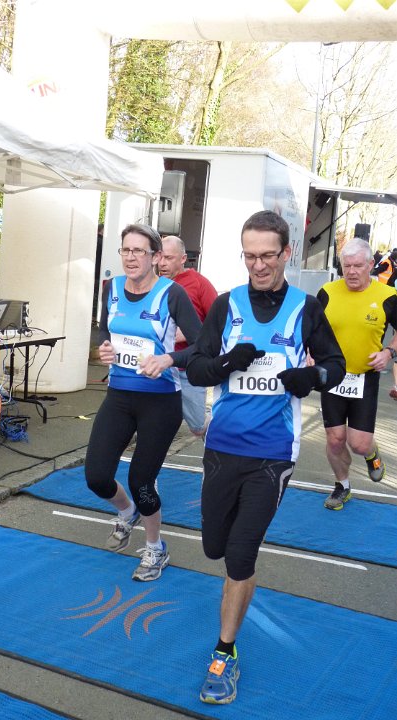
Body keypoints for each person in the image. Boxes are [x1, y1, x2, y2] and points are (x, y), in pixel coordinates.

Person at [186, 210, 345, 705]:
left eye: (268, 256)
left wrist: (311, 378)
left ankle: (224, 652)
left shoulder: (306, 309)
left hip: (273, 454)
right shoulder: (227, 305)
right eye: (250, 255)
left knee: (239, 555)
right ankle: (232, 597)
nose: (258, 265)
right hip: (221, 447)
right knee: (214, 547)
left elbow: (336, 365)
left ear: (287, 253)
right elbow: (196, 368)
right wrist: (226, 363)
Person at [84, 223, 201, 582]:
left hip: (160, 402)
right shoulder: (112, 288)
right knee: (96, 477)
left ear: (155, 257)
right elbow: (105, 329)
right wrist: (104, 347)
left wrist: (169, 359)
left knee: (141, 481)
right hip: (119, 396)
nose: (131, 257)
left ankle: (155, 547)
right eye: (126, 250)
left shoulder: (172, 294)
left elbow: (203, 346)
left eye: (139, 251)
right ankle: (127, 511)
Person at [317, 238, 397, 510]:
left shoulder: (387, 296)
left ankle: (371, 453)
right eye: (346, 266)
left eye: (358, 266)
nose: (351, 272)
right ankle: (342, 486)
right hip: (333, 376)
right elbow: (310, 327)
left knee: (359, 444)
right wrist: (309, 352)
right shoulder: (327, 292)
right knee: (335, 439)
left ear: (371, 265)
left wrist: (389, 352)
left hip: (365, 378)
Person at [158, 235, 217, 436]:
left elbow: (219, 323)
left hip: (187, 368)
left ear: (183, 259)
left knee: (198, 426)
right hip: (158, 366)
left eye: (169, 258)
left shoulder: (200, 284)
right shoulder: (153, 283)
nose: (162, 263)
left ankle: (222, 444)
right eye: (160, 257)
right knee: (154, 422)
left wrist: (192, 332)